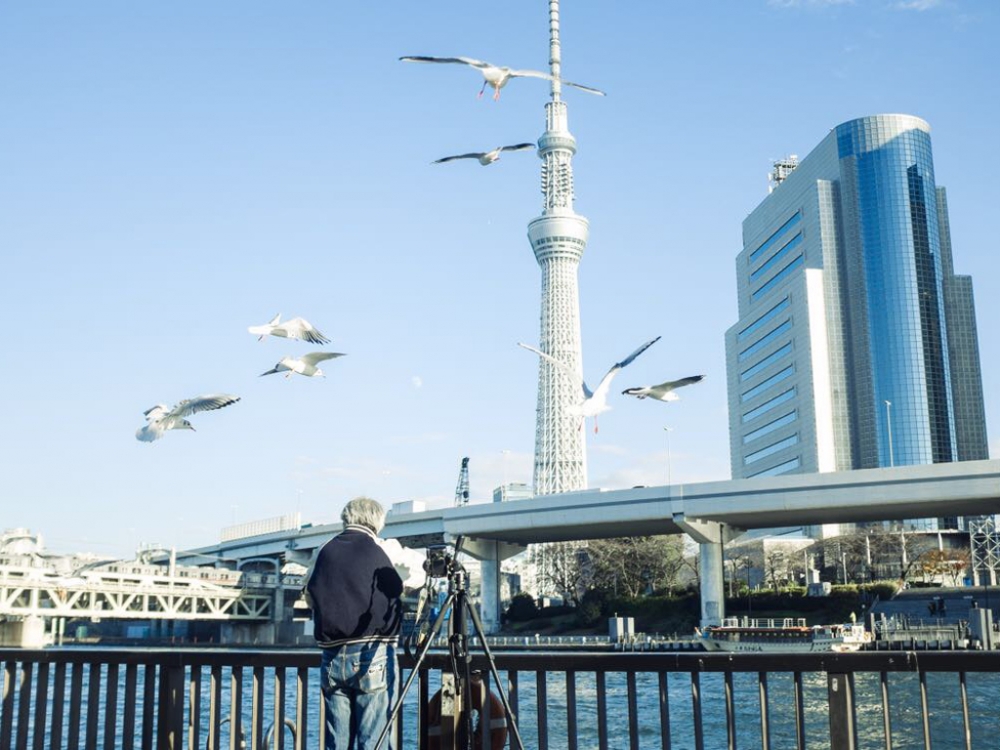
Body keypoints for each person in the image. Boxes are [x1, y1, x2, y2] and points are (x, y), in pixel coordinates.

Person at [305, 497, 404, 750]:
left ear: (346, 517)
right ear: (377, 521)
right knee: (373, 739)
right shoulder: (382, 548)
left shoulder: (324, 549)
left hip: (332, 653)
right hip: (371, 653)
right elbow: (402, 584)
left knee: (336, 740)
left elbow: (309, 593)